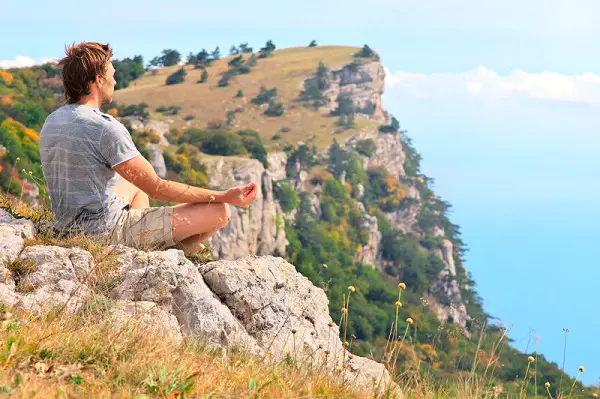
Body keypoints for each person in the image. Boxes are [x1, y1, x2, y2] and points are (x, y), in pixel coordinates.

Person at [39, 42, 258, 255]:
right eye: (112, 74)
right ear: (98, 79)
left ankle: (155, 245)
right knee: (219, 211)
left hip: (65, 229)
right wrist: (225, 195)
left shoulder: (52, 121)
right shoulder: (105, 127)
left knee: (134, 184)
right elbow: (158, 188)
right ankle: (168, 250)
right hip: (104, 232)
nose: (115, 81)